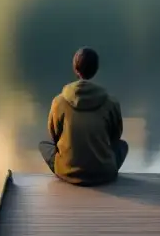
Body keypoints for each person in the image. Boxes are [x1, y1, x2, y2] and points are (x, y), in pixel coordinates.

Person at [39, 47, 128, 185]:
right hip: (104, 173)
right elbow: (115, 136)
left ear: (75, 68)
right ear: (96, 69)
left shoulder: (59, 102)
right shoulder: (111, 102)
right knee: (122, 146)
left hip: (67, 171)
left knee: (44, 145)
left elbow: (54, 136)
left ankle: (66, 164)